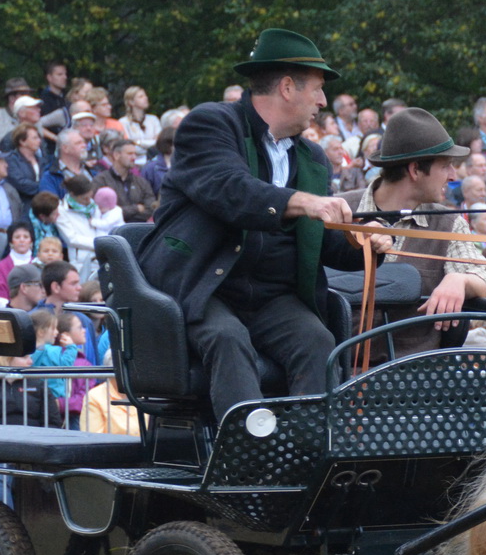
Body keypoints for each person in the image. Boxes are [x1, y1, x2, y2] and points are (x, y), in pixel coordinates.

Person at [135, 29, 387, 423]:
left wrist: (366, 243)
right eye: (318, 89)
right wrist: (304, 202)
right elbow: (229, 190)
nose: (323, 102)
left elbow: (319, 244)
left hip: (271, 296)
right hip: (205, 284)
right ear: (288, 87)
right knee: (227, 338)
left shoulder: (313, 158)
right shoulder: (210, 124)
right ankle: (249, 461)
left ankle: (311, 459)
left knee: (317, 340)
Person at [339, 107, 486, 358]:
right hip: (340, 371)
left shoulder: (448, 222)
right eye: (446, 166)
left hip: (418, 378)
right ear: (416, 169)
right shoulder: (340, 211)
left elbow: (485, 279)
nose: (453, 176)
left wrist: (460, 280)